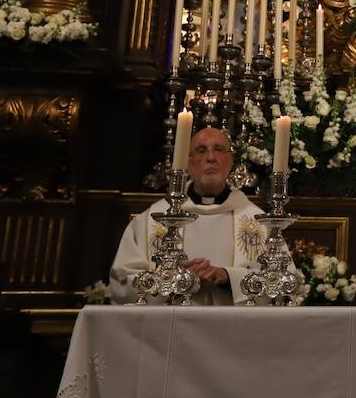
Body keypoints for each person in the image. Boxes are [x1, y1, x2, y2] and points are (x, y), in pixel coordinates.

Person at [109, 126, 269, 305]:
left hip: (235, 329)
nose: (211, 158)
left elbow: (283, 284)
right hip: (170, 329)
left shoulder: (258, 221)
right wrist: (180, 280)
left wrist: (228, 277)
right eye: (201, 150)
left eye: (218, 149)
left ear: (231, 160)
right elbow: (122, 283)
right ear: (188, 162)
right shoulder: (154, 219)